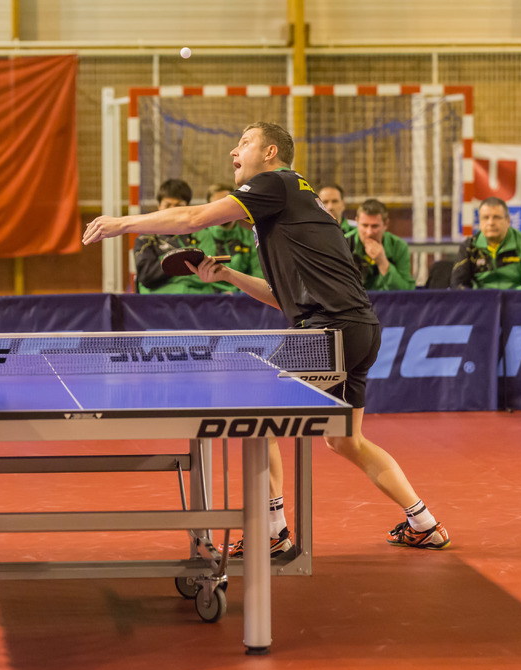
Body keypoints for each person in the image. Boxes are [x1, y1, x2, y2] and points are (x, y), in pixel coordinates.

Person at [83, 121, 450, 554]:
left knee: (255, 417)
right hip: (357, 328)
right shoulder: (290, 204)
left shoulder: (276, 184)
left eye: (244, 142)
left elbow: (194, 217)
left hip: (327, 333)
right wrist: (228, 274)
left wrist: (123, 223)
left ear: (271, 152)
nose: (234, 151)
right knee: (345, 439)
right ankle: (424, 522)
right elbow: (286, 300)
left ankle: (272, 532)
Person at [132, 178, 215, 294]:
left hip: (198, 301)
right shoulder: (145, 239)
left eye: (178, 206)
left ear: (188, 207)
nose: (172, 211)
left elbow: (207, 276)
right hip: (158, 303)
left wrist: (169, 265)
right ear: (159, 205)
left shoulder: (203, 234)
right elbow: (147, 277)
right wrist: (186, 265)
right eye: (168, 205)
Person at [451, 197, 521, 290]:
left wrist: (505, 299)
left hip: (518, 302)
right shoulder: (469, 246)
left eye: (497, 217)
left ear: (508, 221)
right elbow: (458, 286)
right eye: (485, 218)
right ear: (480, 222)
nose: (491, 222)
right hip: (480, 303)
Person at [198, 183, 262, 293]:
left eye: (226, 205)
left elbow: (259, 275)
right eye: (216, 205)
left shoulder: (251, 237)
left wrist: (237, 296)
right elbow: (193, 279)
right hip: (209, 300)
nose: (222, 210)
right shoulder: (198, 237)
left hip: (243, 300)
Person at [347, 199, 415, 291]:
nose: (369, 232)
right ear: (357, 222)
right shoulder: (344, 243)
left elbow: (407, 292)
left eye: (375, 226)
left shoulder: (399, 246)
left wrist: (383, 262)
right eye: (365, 225)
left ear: (386, 224)